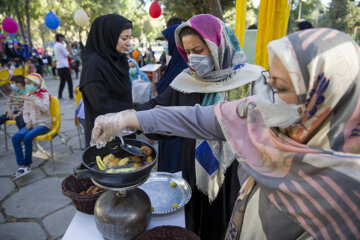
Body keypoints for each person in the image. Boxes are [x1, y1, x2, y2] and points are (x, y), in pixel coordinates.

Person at [93, 28, 360, 239]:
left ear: (323, 95)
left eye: (278, 87)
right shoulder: (266, 116)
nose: (266, 99)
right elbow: (198, 118)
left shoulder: (347, 191)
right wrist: (127, 118)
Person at [134, 14, 264, 240]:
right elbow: (157, 108)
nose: (193, 59)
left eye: (199, 50)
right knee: (196, 222)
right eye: (188, 52)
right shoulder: (187, 81)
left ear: (218, 46)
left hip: (235, 176)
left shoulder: (252, 80)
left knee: (227, 223)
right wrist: (127, 117)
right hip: (193, 173)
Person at [79, 14, 134, 146]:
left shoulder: (119, 59)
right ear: (108, 37)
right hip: (104, 134)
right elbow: (102, 104)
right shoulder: (93, 65)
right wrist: (135, 111)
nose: (128, 43)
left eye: (129, 38)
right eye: (124, 38)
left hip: (125, 128)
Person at [154, 23, 189, 173]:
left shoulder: (182, 67)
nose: (165, 45)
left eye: (167, 41)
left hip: (176, 132)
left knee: (173, 171)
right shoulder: (174, 62)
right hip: (166, 127)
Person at [12, 73, 50, 180]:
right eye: (26, 83)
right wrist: (28, 122)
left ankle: (28, 164)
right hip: (32, 125)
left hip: (44, 124)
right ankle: (21, 164)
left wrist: (33, 99)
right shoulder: (28, 95)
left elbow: (45, 109)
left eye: (29, 83)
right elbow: (25, 112)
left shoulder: (44, 95)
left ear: (36, 83)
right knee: (15, 137)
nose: (27, 85)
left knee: (28, 137)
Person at [54, 33, 73, 99]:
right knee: (69, 82)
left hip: (59, 66)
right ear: (59, 38)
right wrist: (68, 47)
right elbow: (67, 54)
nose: (64, 39)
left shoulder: (56, 45)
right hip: (64, 65)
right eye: (63, 37)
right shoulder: (60, 45)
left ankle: (60, 95)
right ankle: (71, 95)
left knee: (62, 81)